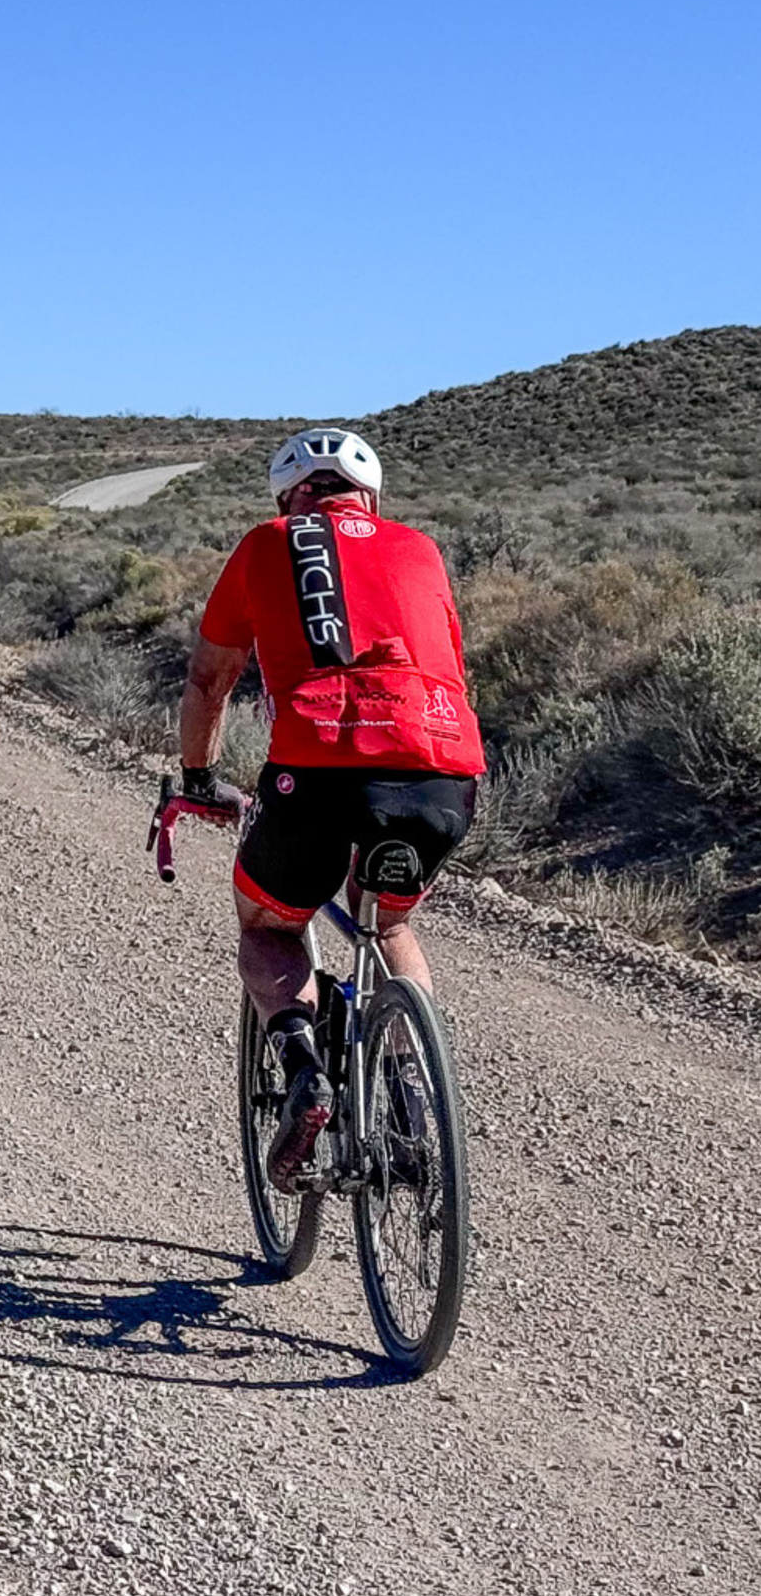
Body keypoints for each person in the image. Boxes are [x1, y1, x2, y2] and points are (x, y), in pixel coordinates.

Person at [178, 427, 485, 1191]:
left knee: (270, 920)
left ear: (289, 496)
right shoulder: (421, 549)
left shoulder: (265, 543)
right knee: (389, 919)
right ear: (372, 496)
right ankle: (413, 1094)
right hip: (441, 771)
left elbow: (210, 678)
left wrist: (196, 775)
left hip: (316, 770)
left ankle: (305, 1066)